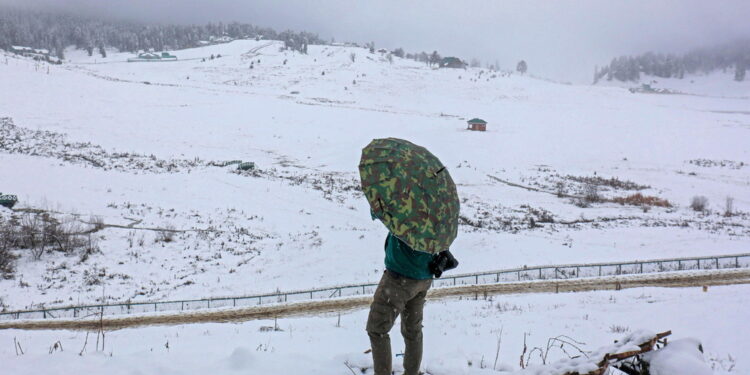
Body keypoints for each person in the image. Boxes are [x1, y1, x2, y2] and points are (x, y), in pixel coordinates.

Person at [366, 232, 457, 375]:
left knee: (377, 329)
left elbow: (378, 211)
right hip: (424, 277)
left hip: (399, 277)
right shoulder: (436, 210)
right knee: (413, 331)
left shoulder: (407, 210)